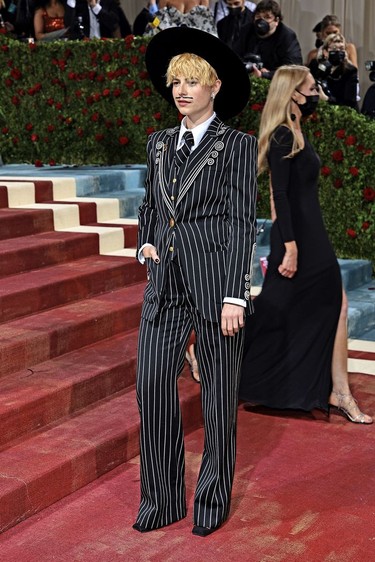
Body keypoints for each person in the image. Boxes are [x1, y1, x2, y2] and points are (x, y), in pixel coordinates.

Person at [133, 26, 258, 536]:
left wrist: (235, 293)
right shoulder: (159, 143)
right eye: (175, 82)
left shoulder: (237, 146)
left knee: (218, 398)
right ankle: (162, 499)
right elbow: (151, 204)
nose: (181, 91)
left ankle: (211, 499)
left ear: (215, 86)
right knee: (153, 385)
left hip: (215, 286)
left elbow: (240, 222)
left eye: (192, 81)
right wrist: (146, 240)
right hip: (164, 282)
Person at [238, 64, 372, 424]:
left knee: (332, 304)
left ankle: (338, 391)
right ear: (293, 93)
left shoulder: (297, 129)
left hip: (310, 235)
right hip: (298, 239)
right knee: (273, 307)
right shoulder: (283, 134)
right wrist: (290, 246)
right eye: (311, 88)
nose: (317, 94)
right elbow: (279, 194)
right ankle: (205, 354)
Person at [238, 0, 303, 79]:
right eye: (258, 16)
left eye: (267, 17)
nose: (261, 21)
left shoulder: (287, 36)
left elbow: (294, 69)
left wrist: (266, 74)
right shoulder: (246, 30)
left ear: (277, 21)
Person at [309, 33, 359, 110]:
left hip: (342, 114)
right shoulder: (315, 66)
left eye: (342, 49)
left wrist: (326, 99)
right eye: (334, 49)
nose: (338, 52)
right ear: (325, 52)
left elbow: (349, 102)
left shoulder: (350, 71)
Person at [143, 0, 217, 37]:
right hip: (170, 46)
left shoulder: (203, 0)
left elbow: (207, 25)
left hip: (197, 49)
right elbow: (159, 22)